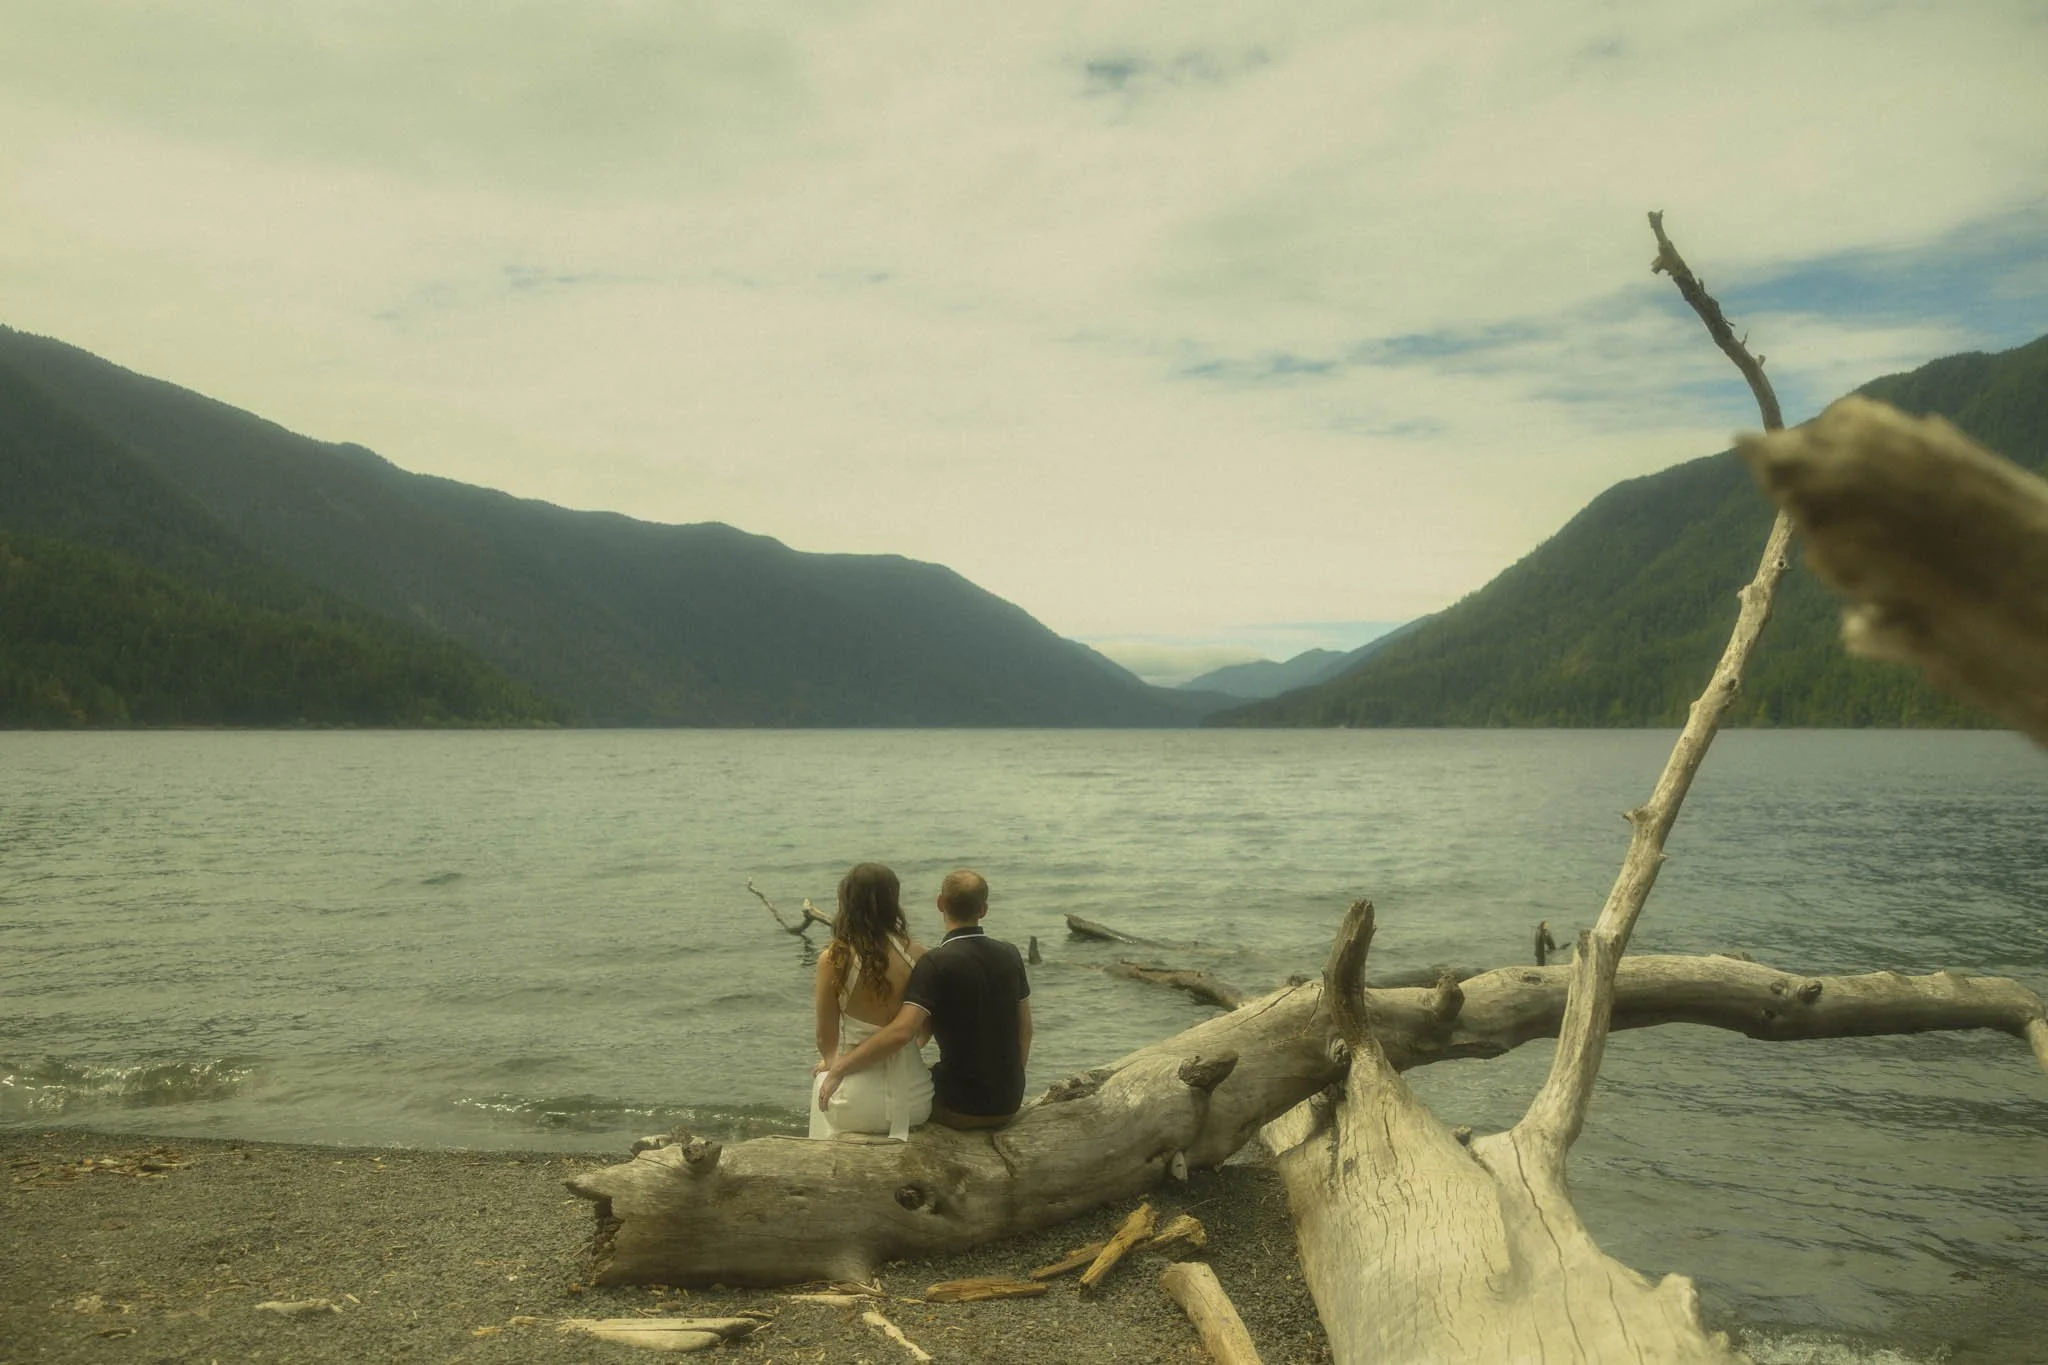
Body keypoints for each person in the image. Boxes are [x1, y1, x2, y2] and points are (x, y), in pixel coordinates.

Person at [817, 868, 1031, 1130]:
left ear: (940, 903)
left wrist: (839, 1067)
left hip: (958, 1106)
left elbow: (902, 1032)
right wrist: (1009, 1085)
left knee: (824, 1086)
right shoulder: (1010, 954)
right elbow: (1025, 1032)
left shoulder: (936, 963)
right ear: (984, 909)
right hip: (1009, 1100)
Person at [808, 863, 933, 1140]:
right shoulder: (919, 955)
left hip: (857, 1104)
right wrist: (903, 1049)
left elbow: (824, 1037)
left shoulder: (834, 959)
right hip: (916, 1100)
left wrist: (832, 1063)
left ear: (846, 903)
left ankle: (824, 1165)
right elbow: (925, 1031)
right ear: (894, 902)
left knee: (822, 1084)